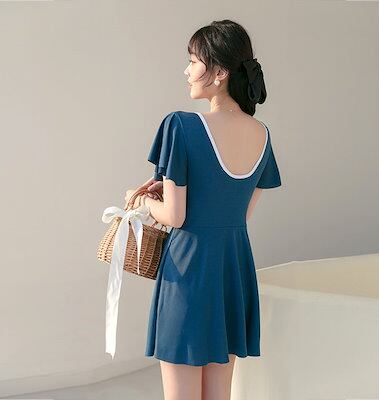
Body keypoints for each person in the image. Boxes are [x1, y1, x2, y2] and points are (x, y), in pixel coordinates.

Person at [125, 19, 282, 400]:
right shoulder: (262, 134)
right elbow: (238, 215)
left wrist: (141, 199)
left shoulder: (181, 126)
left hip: (188, 272)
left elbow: (176, 217)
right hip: (233, 271)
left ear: (220, 72)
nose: (187, 70)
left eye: (193, 61)